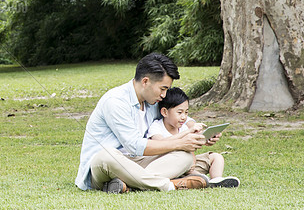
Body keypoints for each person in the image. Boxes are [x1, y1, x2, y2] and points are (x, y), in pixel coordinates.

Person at [75, 53, 215, 193]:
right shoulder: (115, 101)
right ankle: (170, 185)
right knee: (107, 155)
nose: (164, 95)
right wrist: (180, 142)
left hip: (139, 163)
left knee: (184, 156)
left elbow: (173, 113)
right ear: (145, 81)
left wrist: (196, 130)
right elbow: (135, 146)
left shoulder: (152, 101)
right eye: (162, 88)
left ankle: (128, 184)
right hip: (106, 166)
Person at [147, 87, 240, 188]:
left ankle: (216, 180)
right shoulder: (157, 126)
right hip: (169, 165)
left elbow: (190, 150)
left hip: (189, 165)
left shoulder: (183, 127)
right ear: (164, 112)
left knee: (216, 157)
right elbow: (159, 143)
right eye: (179, 112)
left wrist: (207, 137)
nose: (184, 117)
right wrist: (188, 132)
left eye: (186, 112)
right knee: (186, 165)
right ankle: (193, 179)